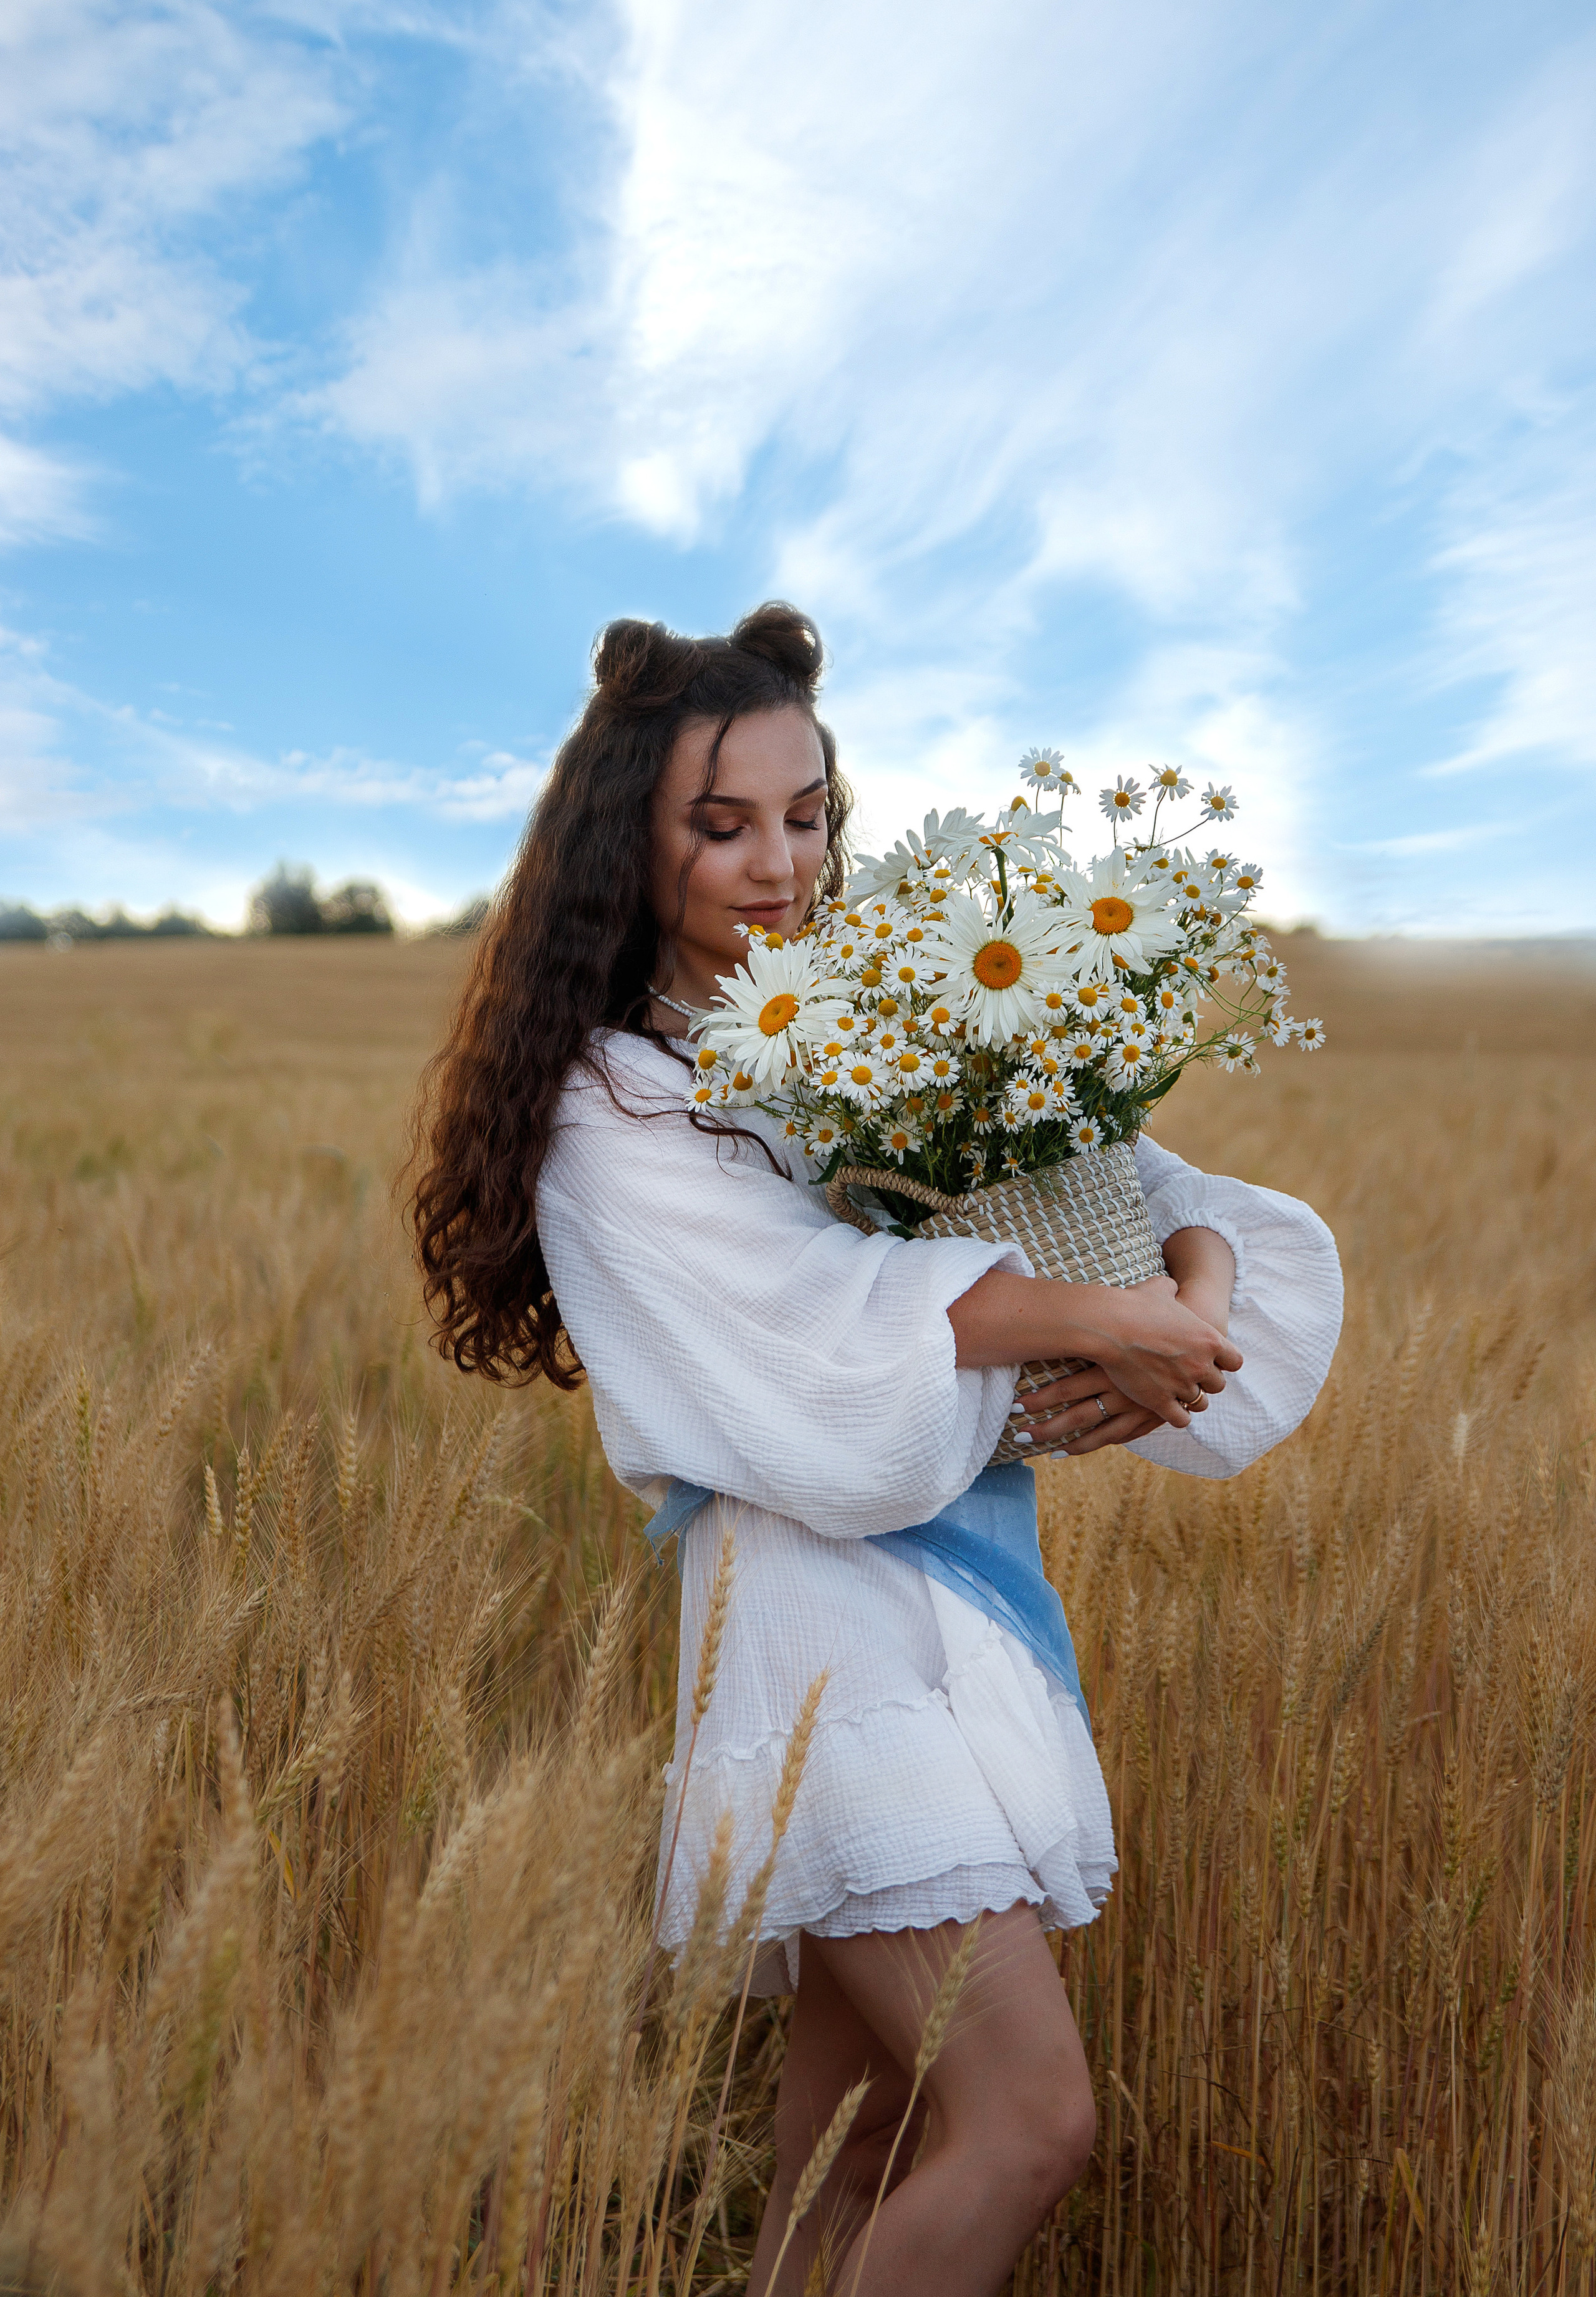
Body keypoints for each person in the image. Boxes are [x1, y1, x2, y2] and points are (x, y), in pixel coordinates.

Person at [408, 604, 1342, 2296]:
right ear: (628, 838)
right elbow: (816, 1320)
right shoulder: (613, 1105)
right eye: (722, 822)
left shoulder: (874, 1013)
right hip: (817, 1644)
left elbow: (1137, 1191)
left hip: (965, 1618)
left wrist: (1173, 1310)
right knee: (1028, 2122)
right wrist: (1089, 1318)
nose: (781, 861)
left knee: (852, 2164)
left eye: (807, 810)